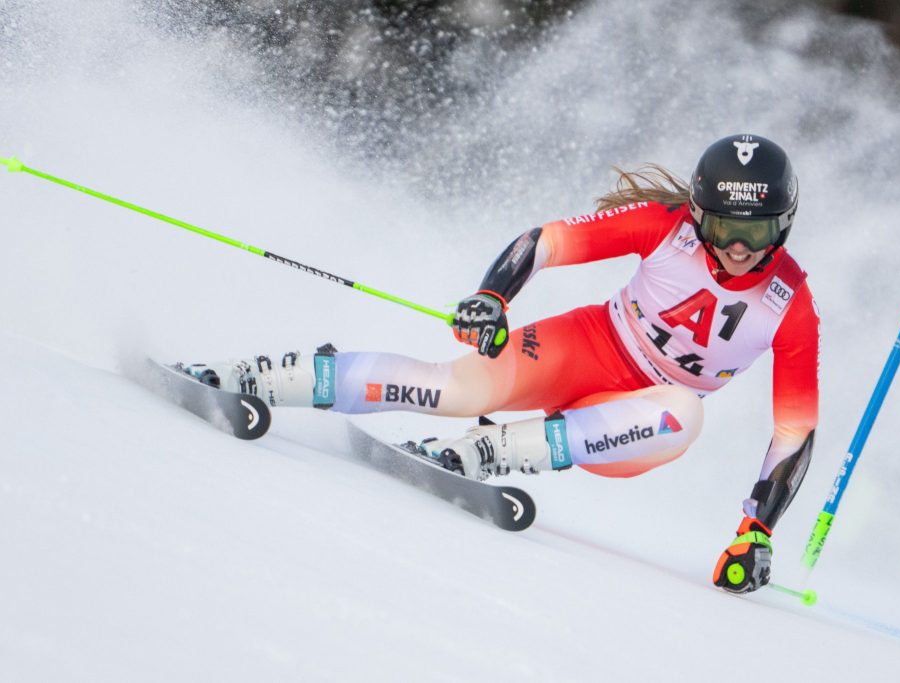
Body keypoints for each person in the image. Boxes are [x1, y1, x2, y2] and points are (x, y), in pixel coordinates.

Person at [185, 133, 819, 594]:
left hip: (630, 421)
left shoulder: (790, 305)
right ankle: (262, 378)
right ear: (698, 215)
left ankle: (484, 454)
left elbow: (794, 430)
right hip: (585, 345)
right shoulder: (664, 226)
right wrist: (492, 298)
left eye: (758, 232)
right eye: (724, 229)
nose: (739, 249)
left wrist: (756, 531)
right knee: (454, 390)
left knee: (683, 415)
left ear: (784, 226)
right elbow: (547, 241)